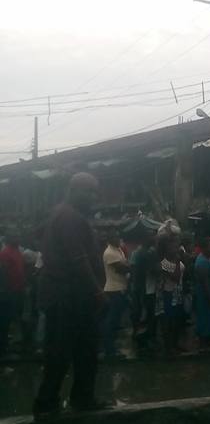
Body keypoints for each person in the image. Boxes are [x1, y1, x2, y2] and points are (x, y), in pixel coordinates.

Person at [34, 173, 109, 419]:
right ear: (73, 190)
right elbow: (79, 260)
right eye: (89, 192)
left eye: (95, 192)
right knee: (62, 352)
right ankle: (49, 403)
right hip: (68, 297)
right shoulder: (69, 217)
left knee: (82, 350)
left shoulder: (67, 215)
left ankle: (79, 398)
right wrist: (97, 291)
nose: (93, 198)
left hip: (72, 297)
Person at [157, 224, 185, 355]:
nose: (175, 246)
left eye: (176, 243)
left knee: (177, 321)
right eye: (172, 244)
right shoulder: (163, 262)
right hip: (167, 295)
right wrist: (178, 260)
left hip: (177, 294)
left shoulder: (175, 257)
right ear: (165, 247)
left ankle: (175, 344)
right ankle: (168, 348)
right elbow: (176, 276)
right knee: (168, 322)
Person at [0, 231, 27, 357]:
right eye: (15, 236)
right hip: (9, 292)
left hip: (18, 290)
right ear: (9, 238)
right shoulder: (5, 253)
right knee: (5, 320)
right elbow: (3, 273)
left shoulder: (17, 251)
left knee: (14, 318)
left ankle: (9, 344)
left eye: (18, 235)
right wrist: (6, 290)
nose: (18, 238)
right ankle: (3, 348)